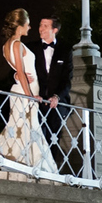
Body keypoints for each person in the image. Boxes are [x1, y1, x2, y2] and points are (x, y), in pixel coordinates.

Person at [0, 9, 59, 181]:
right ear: (20, 25)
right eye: (28, 24)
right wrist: (30, 95)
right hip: (24, 93)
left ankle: (21, 167)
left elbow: (18, 71)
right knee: (24, 128)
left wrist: (19, 78)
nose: (30, 27)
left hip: (22, 91)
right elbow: (21, 72)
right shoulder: (16, 44)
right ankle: (25, 169)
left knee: (21, 127)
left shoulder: (6, 46)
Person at [25, 14, 74, 170]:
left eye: (45, 26)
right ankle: (34, 167)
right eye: (40, 25)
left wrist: (56, 97)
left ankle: (50, 169)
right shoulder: (30, 47)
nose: (40, 29)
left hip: (57, 103)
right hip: (36, 99)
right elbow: (17, 69)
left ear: (55, 30)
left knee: (54, 136)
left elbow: (67, 79)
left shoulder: (65, 50)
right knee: (36, 133)